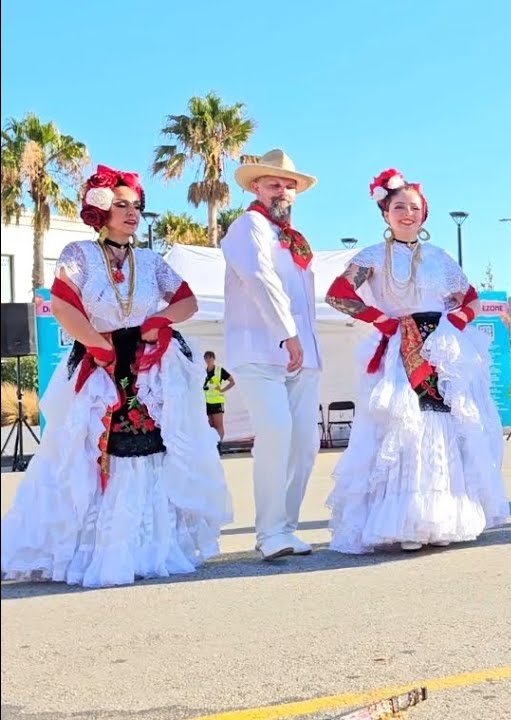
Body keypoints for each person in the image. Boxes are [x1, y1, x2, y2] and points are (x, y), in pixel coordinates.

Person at [1, 165, 231, 587]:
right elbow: (64, 304)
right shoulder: (78, 254)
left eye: (136, 206)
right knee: (85, 450)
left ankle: (152, 546)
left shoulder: (150, 260)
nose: (131, 213)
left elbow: (187, 301)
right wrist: (99, 346)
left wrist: (158, 320)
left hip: (149, 366)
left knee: (156, 448)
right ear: (100, 209)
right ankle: (93, 549)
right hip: (99, 361)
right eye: (121, 205)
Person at [323, 169, 508, 553]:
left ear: (424, 216)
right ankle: (403, 519)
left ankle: (443, 517)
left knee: (444, 424)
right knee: (404, 426)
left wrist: (456, 320)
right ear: (385, 213)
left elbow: (470, 297)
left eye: (415, 208)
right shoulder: (371, 256)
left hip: (442, 346)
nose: (407, 214)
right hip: (399, 345)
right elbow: (338, 294)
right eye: (399, 207)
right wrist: (381, 319)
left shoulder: (440, 258)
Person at [221, 149, 322, 560]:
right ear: (256, 187)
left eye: (288, 184)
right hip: (260, 349)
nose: (282, 189)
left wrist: (306, 344)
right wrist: (289, 334)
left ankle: (287, 528)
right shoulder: (249, 225)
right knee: (277, 432)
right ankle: (268, 532)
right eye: (273, 182)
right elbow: (259, 279)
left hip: (302, 355)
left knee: (304, 443)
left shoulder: (293, 239)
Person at [203, 351, 235, 442]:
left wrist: (222, 390)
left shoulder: (219, 370)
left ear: (214, 358)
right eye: (206, 358)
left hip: (217, 401)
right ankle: (212, 445)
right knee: (210, 424)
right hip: (206, 402)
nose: (208, 360)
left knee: (218, 425)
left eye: (210, 357)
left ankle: (219, 444)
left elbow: (232, 381)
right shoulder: (203, 372)